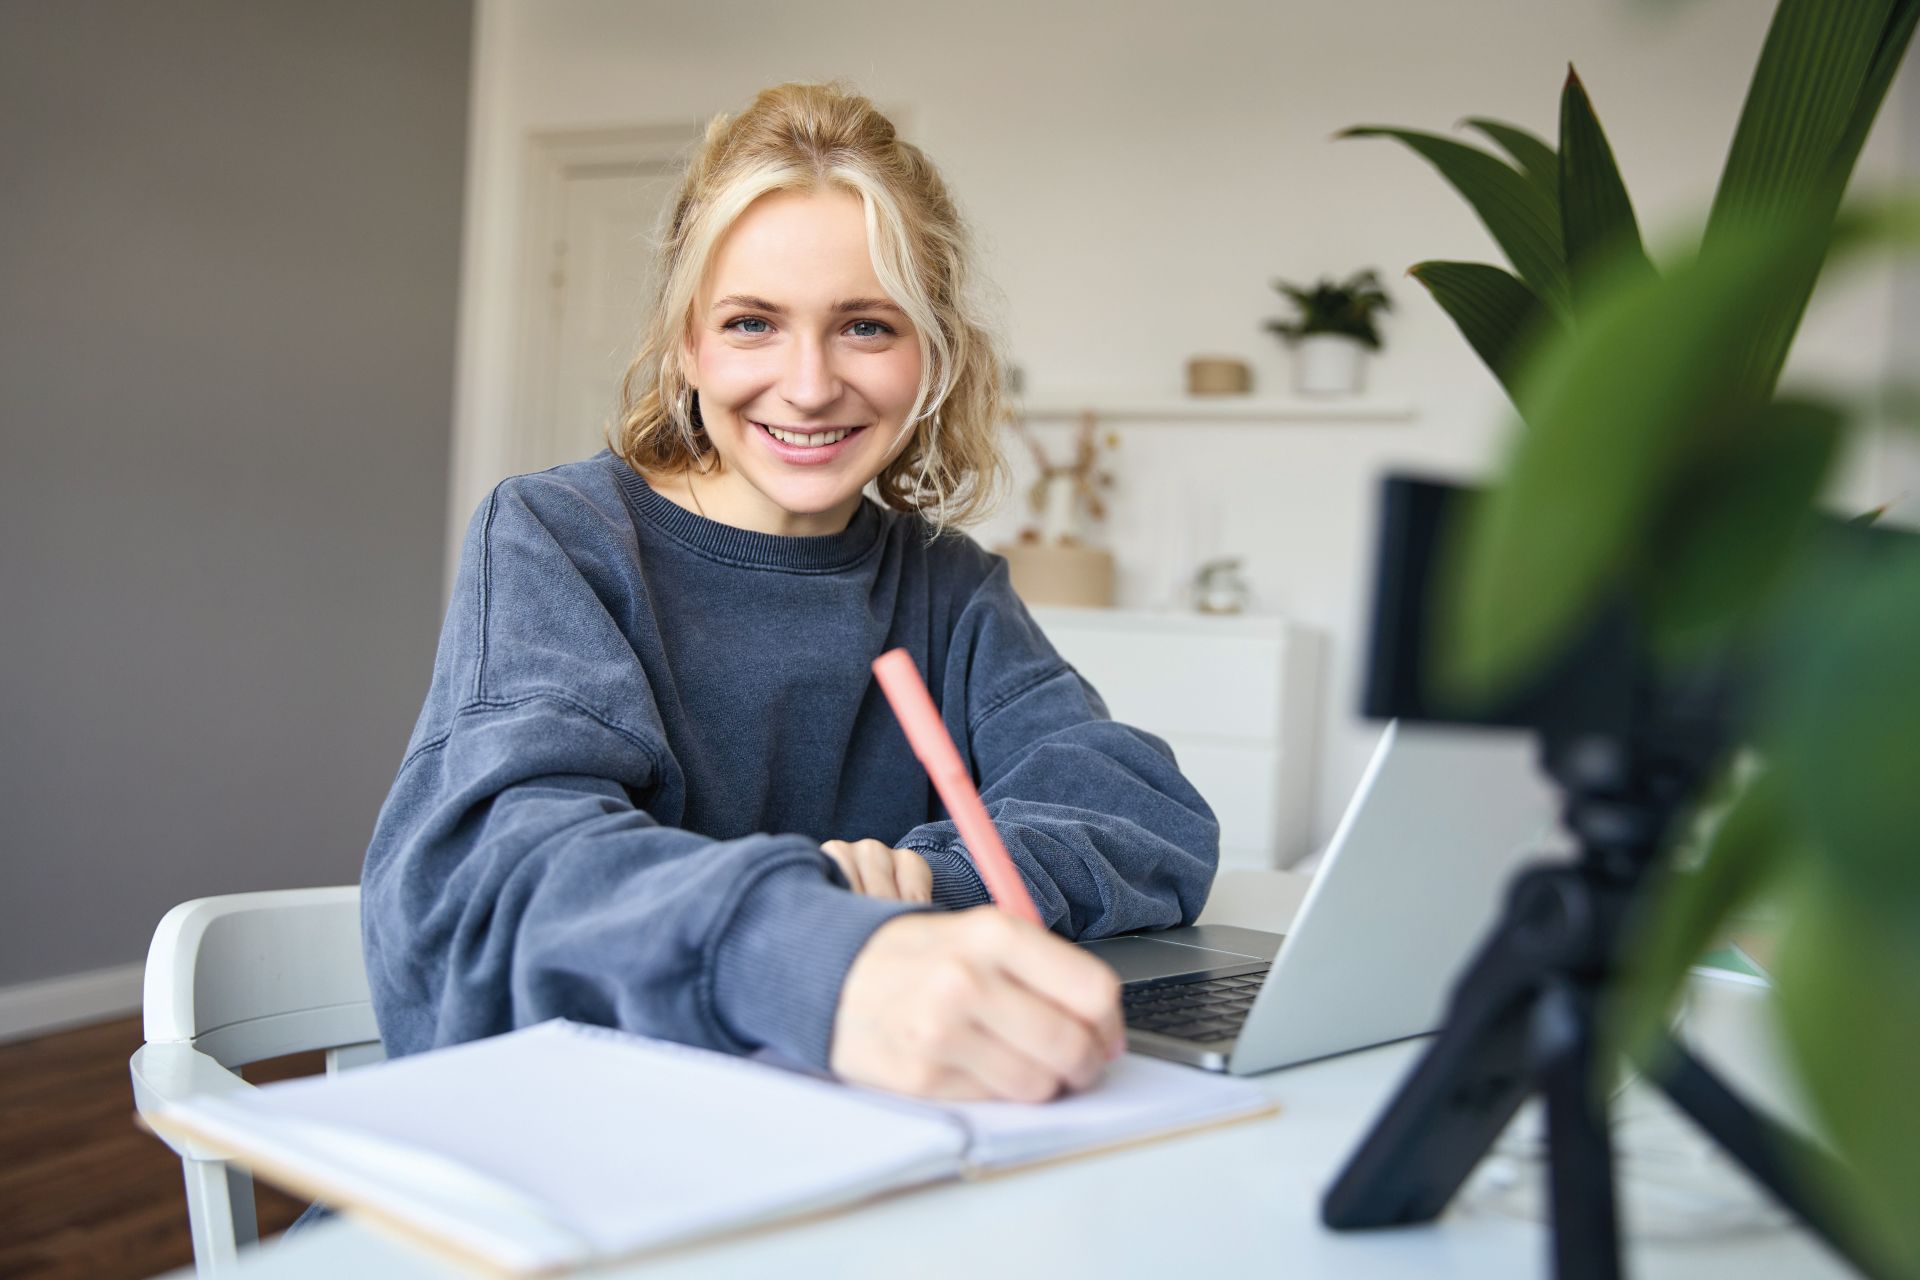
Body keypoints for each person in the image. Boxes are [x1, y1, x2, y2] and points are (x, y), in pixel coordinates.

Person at [362, 82, 1218, 1104]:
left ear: (934, 353)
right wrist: (825, 944)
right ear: (686, 343)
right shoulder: (562, 537)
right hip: (589, 1120)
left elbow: (1142, 815)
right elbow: (512, 866)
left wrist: (929, 879)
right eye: (752, 323)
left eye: (866, 326)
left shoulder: (946, 585)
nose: (809, 387)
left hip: (854, 1129)